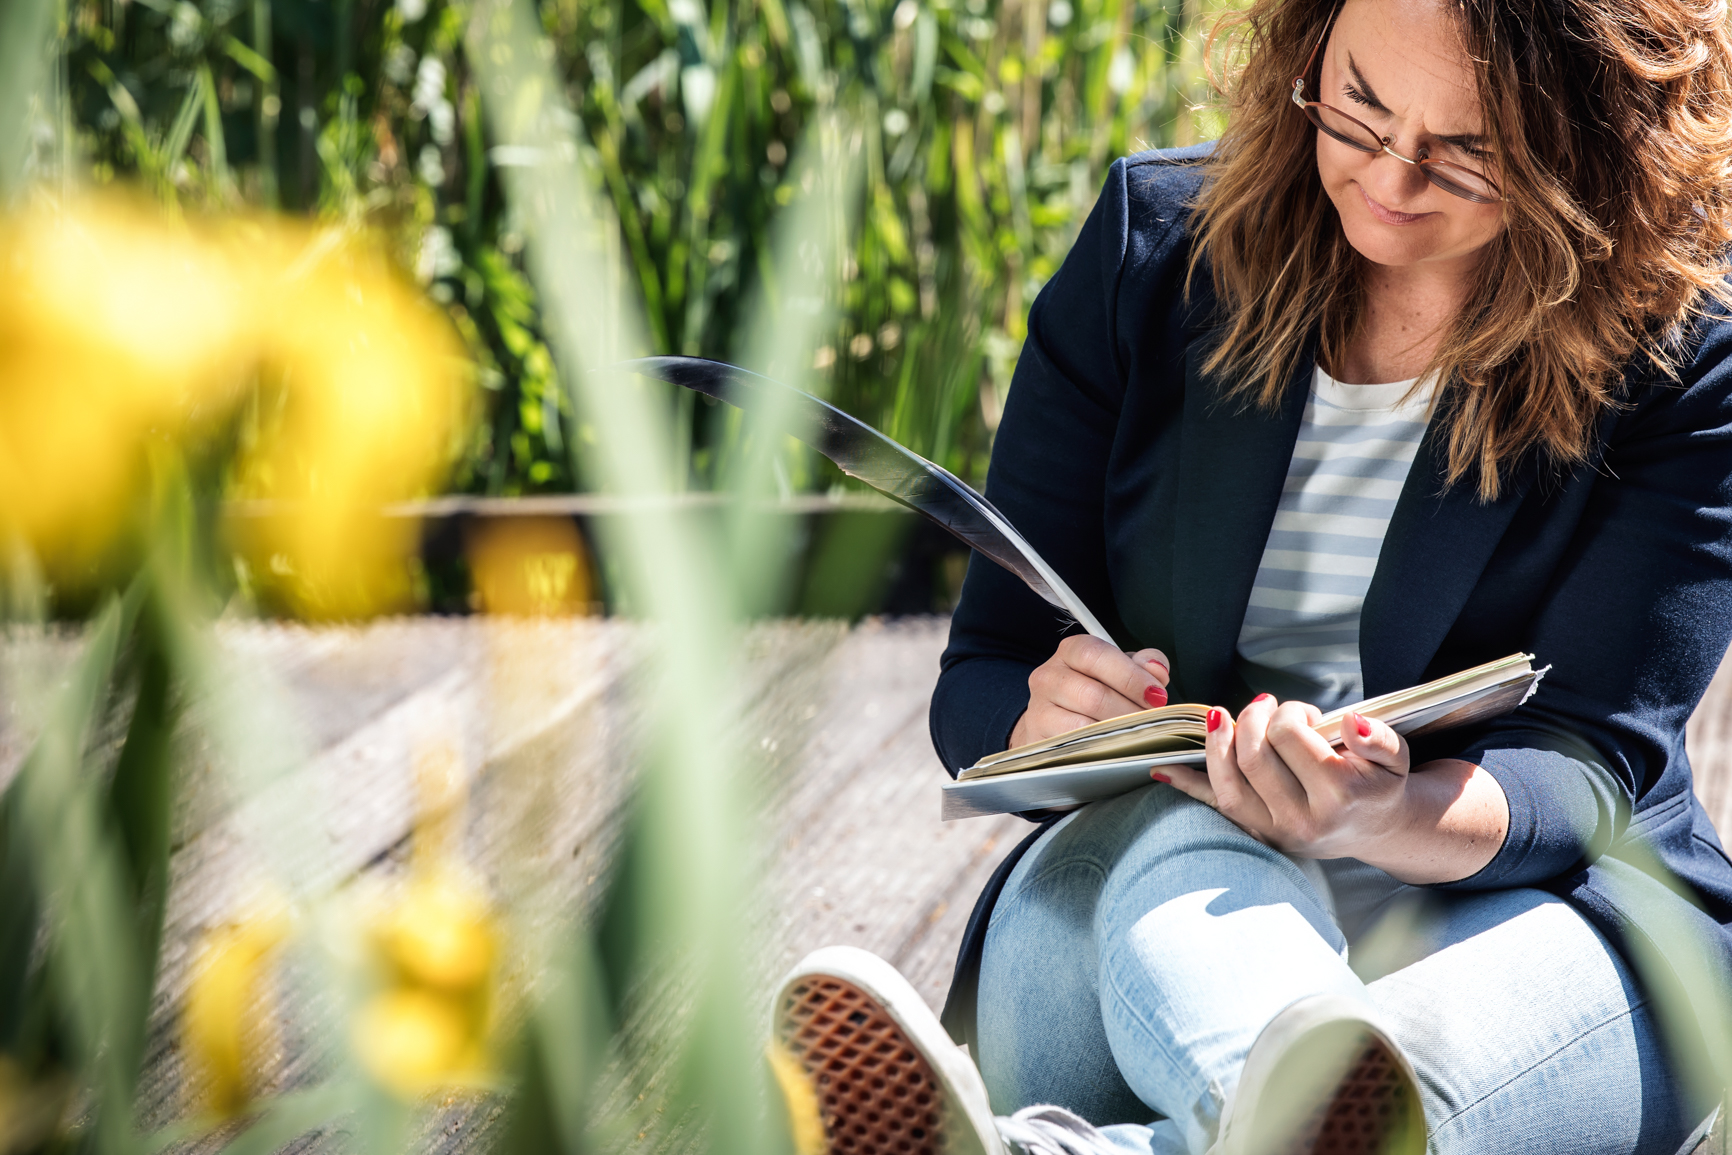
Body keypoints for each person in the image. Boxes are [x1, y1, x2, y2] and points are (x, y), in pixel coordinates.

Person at [768, 0, 1732, 1151]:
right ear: (1308, 46)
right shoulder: (1154, 249)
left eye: (1470, 153)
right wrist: (1039, 724)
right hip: (1129, 926)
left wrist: (1382, 809)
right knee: (1190, 845)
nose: (1392, 178)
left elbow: (1590, 763)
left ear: (1596, 145)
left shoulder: (1686, 344)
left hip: (1534, 922)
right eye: (1360, 109)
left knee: (1402, 1087)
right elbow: (984, 669)